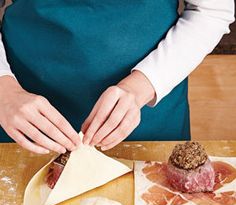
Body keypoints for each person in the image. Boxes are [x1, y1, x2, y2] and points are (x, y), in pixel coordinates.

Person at [0, 0, 234, 154]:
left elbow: (211, 11)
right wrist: (4, 91)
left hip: (149, 115)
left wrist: (142, 86)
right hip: (20, 112)